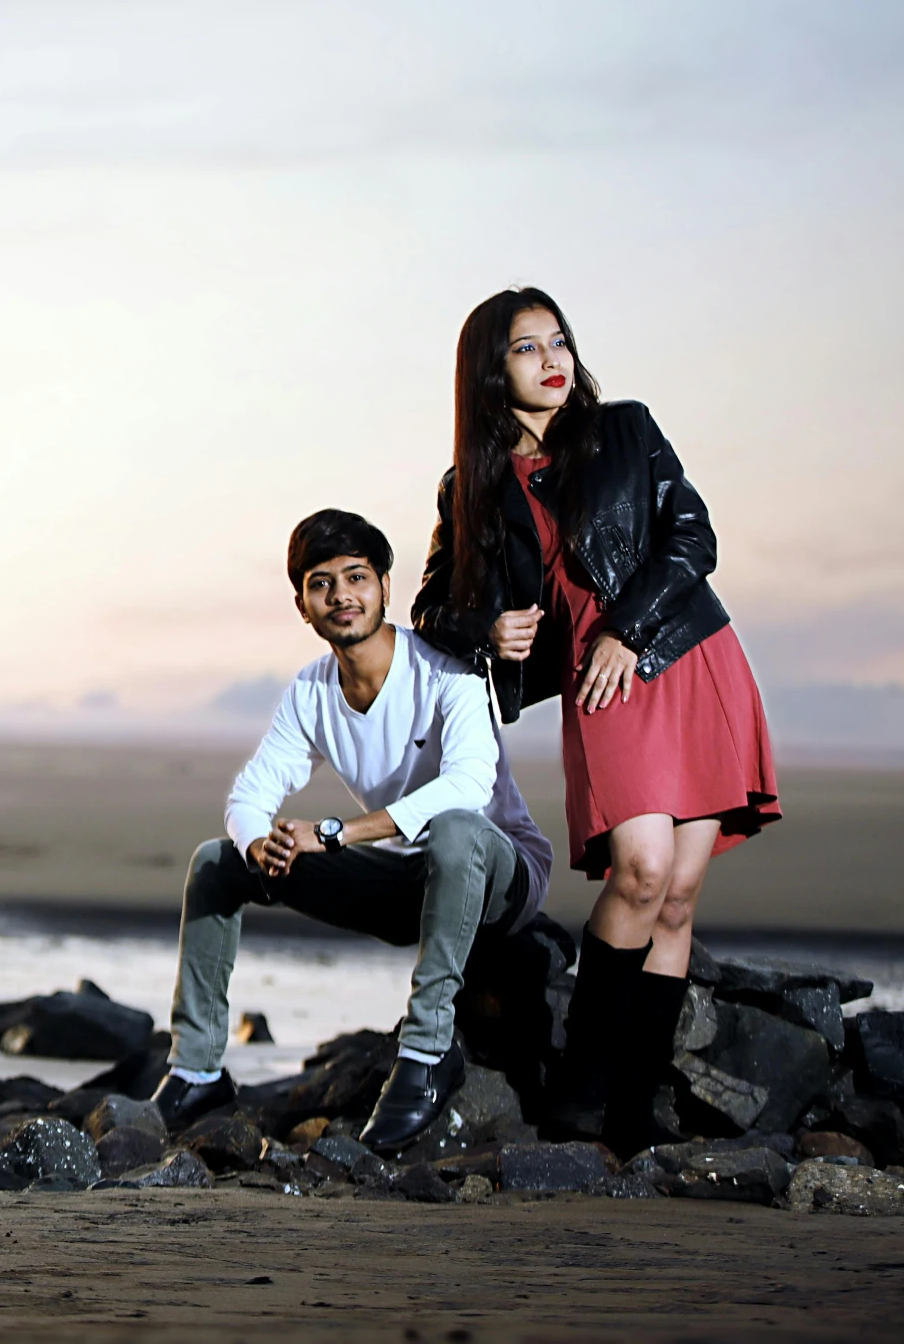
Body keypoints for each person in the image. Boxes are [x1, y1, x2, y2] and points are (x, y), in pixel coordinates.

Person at [413, 288, 779, 1156]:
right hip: (599, 682)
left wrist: (627, 627)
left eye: (559, 340)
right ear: (489, 372)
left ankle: (633, 1109)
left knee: (679, 895)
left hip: (686, 653)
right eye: (526, 347)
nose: (552, 358)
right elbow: (432, 605)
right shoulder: (472, 486)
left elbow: (693, 540)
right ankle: (579, 1092)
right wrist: (486, 627)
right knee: (642, 869)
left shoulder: (626, 430)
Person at [151, 509, 554, 1152]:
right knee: (215, 862)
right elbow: (250, 796)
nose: (342, 595)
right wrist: (263, 843)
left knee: (451, 829)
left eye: (356, 577)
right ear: (302, 605)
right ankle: (196, 1069)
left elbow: (468, 789)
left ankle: (425, 1052)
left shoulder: (447, 667)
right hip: (405, 879)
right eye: (321, 584)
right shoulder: (311, 692)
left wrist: (332, 832)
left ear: (386, 587)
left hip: (496, 874)